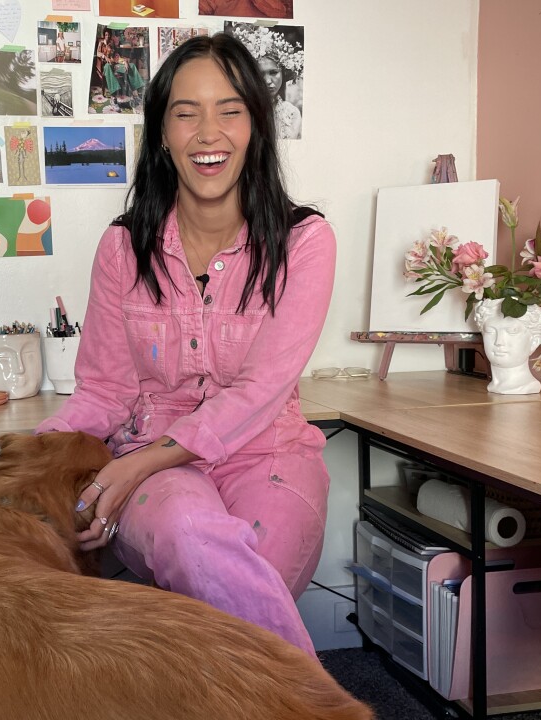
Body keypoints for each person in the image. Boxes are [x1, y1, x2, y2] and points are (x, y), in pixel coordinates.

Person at [34, 32, 336, 656]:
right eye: (186, 112)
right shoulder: (123, 248)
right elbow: (106, 388)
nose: (208, 132)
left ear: (255, 126)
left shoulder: (305, 242)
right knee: (190, 536)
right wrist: (37, 460)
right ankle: (314, 703)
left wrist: (131, 465)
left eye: (229, 110)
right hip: (153, 459)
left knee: (250, 576)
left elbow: (260, 391)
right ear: (162, 133)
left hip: (268, 450)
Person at [472, 300, 541, 395]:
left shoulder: (527, 387)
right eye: (490, 331)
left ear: (534, 342)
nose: (499, 342)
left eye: (512, 331)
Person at [258, 55, 301, 139]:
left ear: (283, 73)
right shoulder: (244, 110)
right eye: (260, 74)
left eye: (273, 72)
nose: (267, 81)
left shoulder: (292, 113)